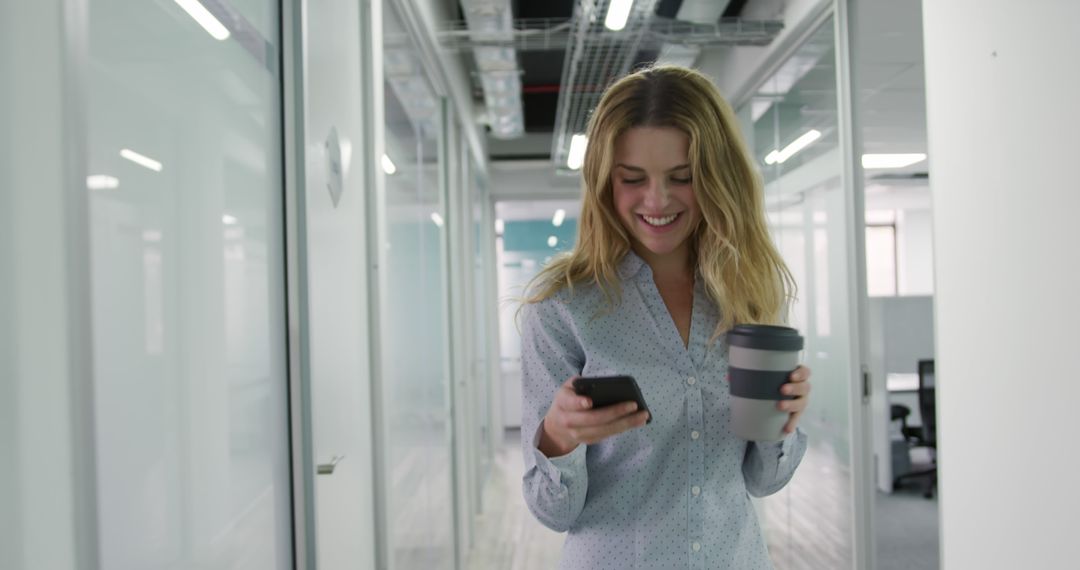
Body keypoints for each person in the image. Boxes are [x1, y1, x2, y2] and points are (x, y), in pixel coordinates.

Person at [518, 65, 812, 569]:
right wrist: (558, 437)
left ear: (719, 179)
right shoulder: (562, 310)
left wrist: (783, 420)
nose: (657, 200)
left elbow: (764, 481)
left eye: (683, 178)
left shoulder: (751, 295)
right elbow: (554, 511)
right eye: (633, 179)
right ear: (605, 183)